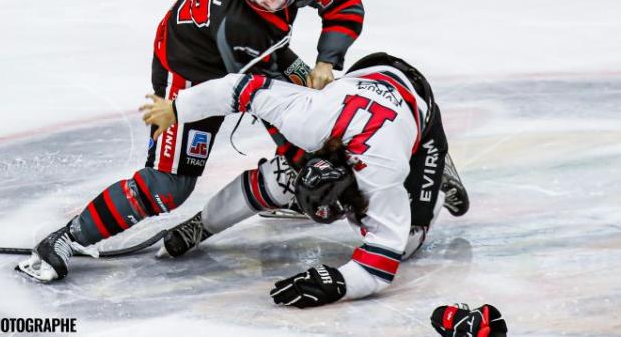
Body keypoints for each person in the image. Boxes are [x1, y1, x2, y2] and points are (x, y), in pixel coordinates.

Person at [16, 0, 364, 282]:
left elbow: (345, 2)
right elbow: (258, 96)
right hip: (190, 67)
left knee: (309, 99)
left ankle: (290, 182)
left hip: (256, 54)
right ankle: (67, 238)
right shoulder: (237, 26)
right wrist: (306, 155)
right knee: (167, 187)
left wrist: (327, 61)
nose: (275, 2)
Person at [140, 52, 470, 307]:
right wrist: (177, 109)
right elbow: (241, 89)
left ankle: (438, 175)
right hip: (368, 76)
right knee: (283, 177)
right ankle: (203, 223)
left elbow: (383, 264)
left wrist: (336, 284)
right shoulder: (307, 119)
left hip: (420, 119)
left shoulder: (382, 178)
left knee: (409, 241)